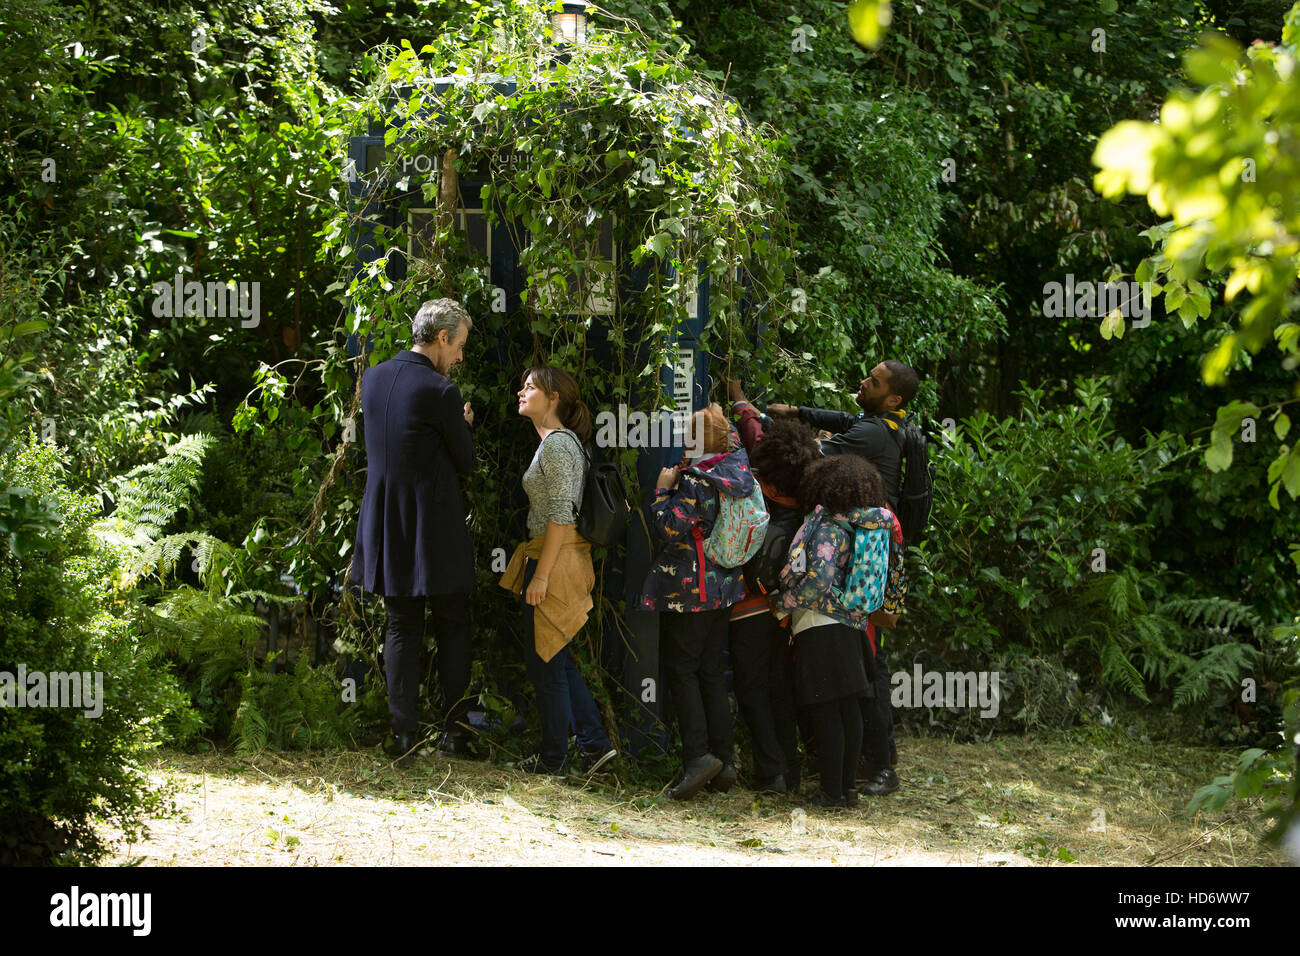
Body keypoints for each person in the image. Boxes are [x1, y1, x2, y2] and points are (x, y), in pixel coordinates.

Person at [770, 359, 919, 794]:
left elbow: (817, 452)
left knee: (867, 676)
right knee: (863, 678)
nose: (864, 382)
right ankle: (863, 769)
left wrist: (786, 603)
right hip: (861, 595)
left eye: (874, 382)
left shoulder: (871, 435)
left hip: (840, 596)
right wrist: (801, 412)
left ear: (894, 398)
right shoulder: (880, 424)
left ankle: (878, 768)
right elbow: (843, 420)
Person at [350, 298, 478, 766]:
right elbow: (465, 463)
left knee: (401, 623)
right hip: (432, 524)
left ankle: (402, 733)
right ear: (442, 338)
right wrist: (463, 425)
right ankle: (455, 733)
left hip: (385, 519)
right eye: (460, 345)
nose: (461, 356)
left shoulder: (376, 377)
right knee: (453, 624)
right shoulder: (441, 391)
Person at [497, 366, 617, 777]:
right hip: (551, 558)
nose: (520, 391)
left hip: (555, 562)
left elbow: (562, 516)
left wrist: (542, 576)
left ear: (553, 399)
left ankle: (554, 760)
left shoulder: (559, 446)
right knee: (556, 658)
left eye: (530, 387)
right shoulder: (555, 444)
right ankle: (594, 745)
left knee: (546, 663)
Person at [641, 403, 754, 799]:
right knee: (709, 672)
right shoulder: (738, 471)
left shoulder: (695, 481)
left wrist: (660, 490)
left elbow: (669, 527)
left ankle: (697, 758)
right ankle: (726, 760)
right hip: (724, 589)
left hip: (690, 591)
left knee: (682, 671)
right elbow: (732, 437)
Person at [779, 455, 905, 808]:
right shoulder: (859, 525)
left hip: (822, 626)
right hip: (853, 624)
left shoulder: (829, 528)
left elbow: (818, 580)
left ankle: (831, 793)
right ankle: (847, 790)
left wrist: (784, 603)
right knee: (849, 710)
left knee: (826, 711)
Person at [726, 381, 820, 793]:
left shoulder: (758, 489)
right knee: (780, 685)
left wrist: (741, 403)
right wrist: (746, 406)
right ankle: (789, 770)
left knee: (751, 687)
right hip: (786, 609)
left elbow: (754, 435)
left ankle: (770, 772)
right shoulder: (806, 487)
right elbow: (760, 436)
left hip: (749, 605)